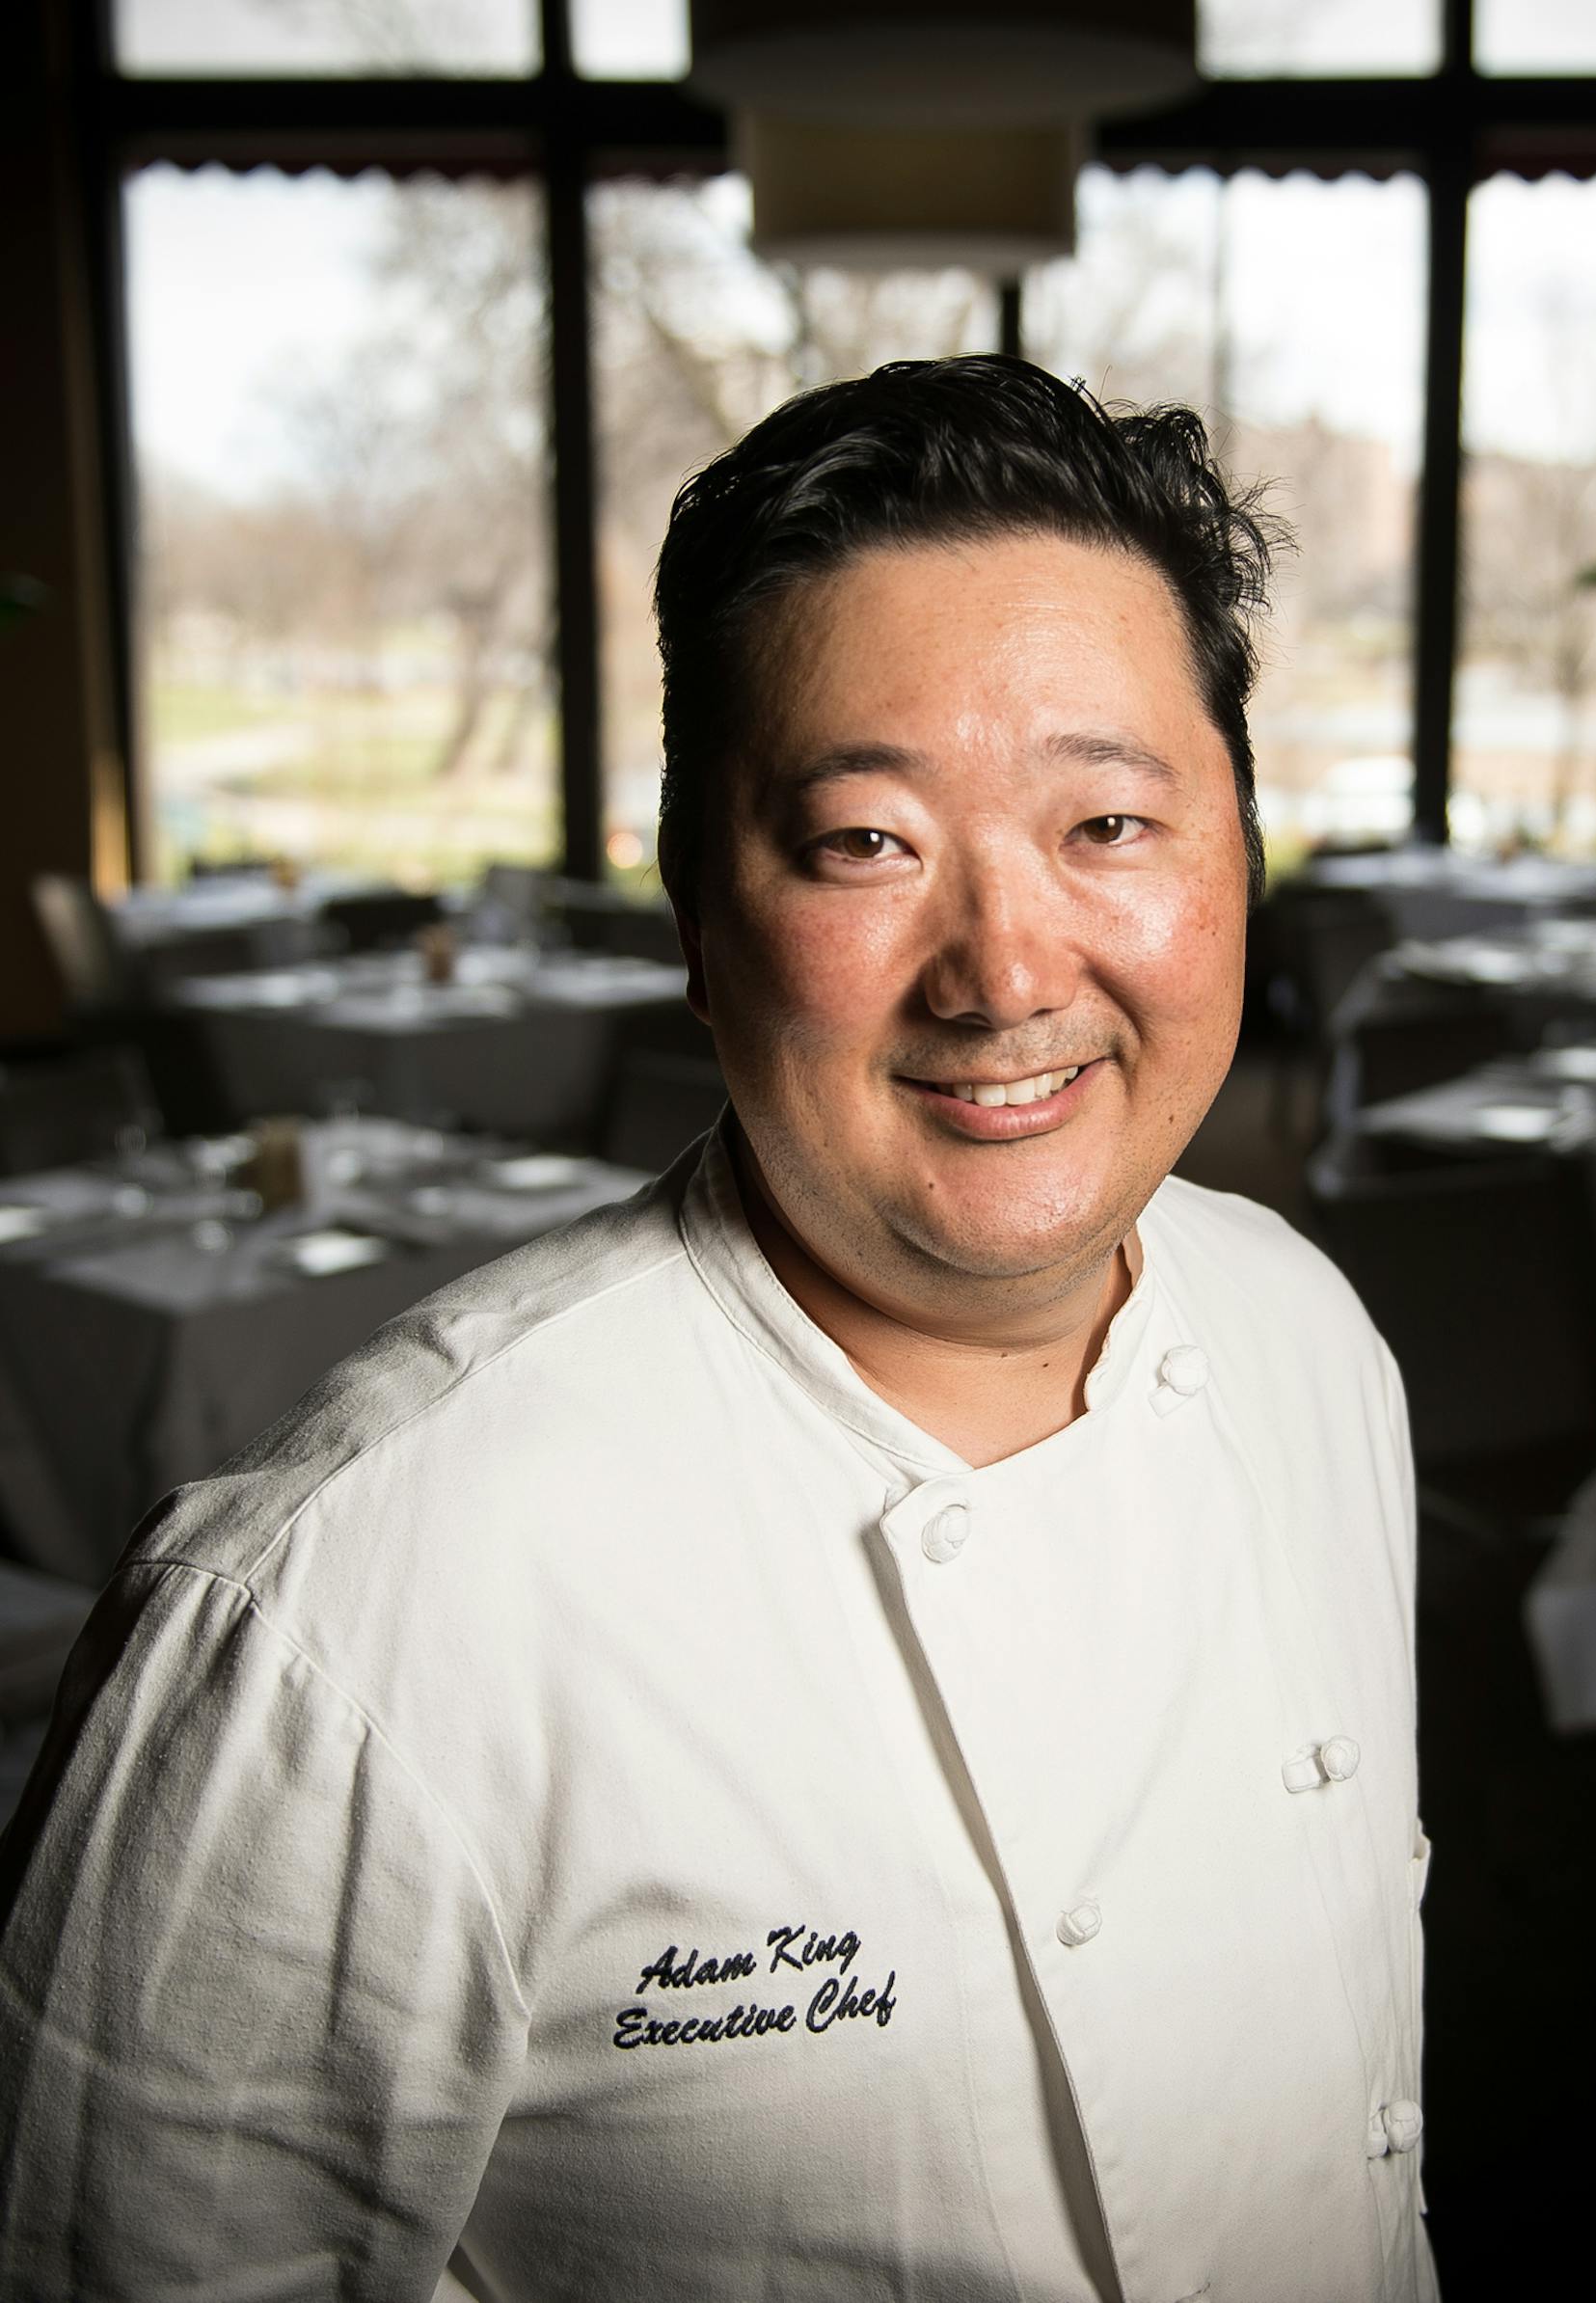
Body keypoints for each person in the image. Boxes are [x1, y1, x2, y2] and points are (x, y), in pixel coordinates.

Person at [0, 358, 1434, 2301]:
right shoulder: (354, 1604)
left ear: (1239, 857)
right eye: (864, 842)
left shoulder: (1310, 1341)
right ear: (694, 908)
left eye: (1109, 823)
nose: (1008, 970)